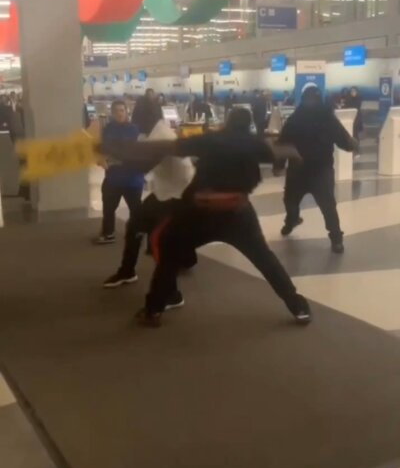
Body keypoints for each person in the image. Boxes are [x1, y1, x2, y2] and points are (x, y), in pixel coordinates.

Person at [105, 108, 311, 327]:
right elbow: (284, 152)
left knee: (168, 253)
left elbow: (169, 147)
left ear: (228, 121)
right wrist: (293, 158)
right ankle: (297, 306)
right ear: (248, 124)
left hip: (199, 213)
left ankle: (153, 310)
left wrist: (118, 147)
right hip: (238, 214)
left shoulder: (212, 140)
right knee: (265, 259)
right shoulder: (255, 144)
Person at [103, 103, 196, 288]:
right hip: (171, 191)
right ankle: (130, 271)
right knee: (139, 226)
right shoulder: (157, 133)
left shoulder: (161, 137)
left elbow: (143, 164)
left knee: (155, 234)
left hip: (177, 194)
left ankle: (161, 284)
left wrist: (115, 160)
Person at [279, 85, 356, 254]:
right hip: (316, 170)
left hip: (304, 170)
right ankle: (333, 238)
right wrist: (352, 145)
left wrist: (278, 165)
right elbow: (345, 141)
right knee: (322, 204)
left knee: (297, 201)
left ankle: (333, 237)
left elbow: (283, 143)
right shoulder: (325, 118)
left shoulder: (296, 119)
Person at [96, 99, 144, 244]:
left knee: (136, 209)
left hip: (132, 179)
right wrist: (101, 159)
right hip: (113, 177)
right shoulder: (107, 130)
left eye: (122, 110)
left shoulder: (134, 130)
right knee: (109, 207)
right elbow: (102, 149)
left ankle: (138, 232)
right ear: (112, 113)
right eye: (116, 111)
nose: (119, 114)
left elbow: (134, 152)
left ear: (126, 112)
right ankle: (108, 233)